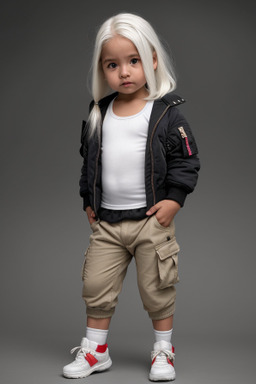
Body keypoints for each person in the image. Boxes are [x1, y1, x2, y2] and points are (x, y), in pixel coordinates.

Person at [63, 12, 200, 382]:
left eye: (133, 61)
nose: (124, 72)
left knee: (157, 287)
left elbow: (186, 162)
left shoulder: (167, 114)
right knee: (95, 286)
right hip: (107, 222)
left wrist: (174, 200)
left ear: (152, 60)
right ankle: (96, 351)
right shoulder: (98, 113)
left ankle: (163, 350)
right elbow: (89, 162)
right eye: (113, 64)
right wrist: (87, 200)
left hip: (150, 222)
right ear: (102, 70)